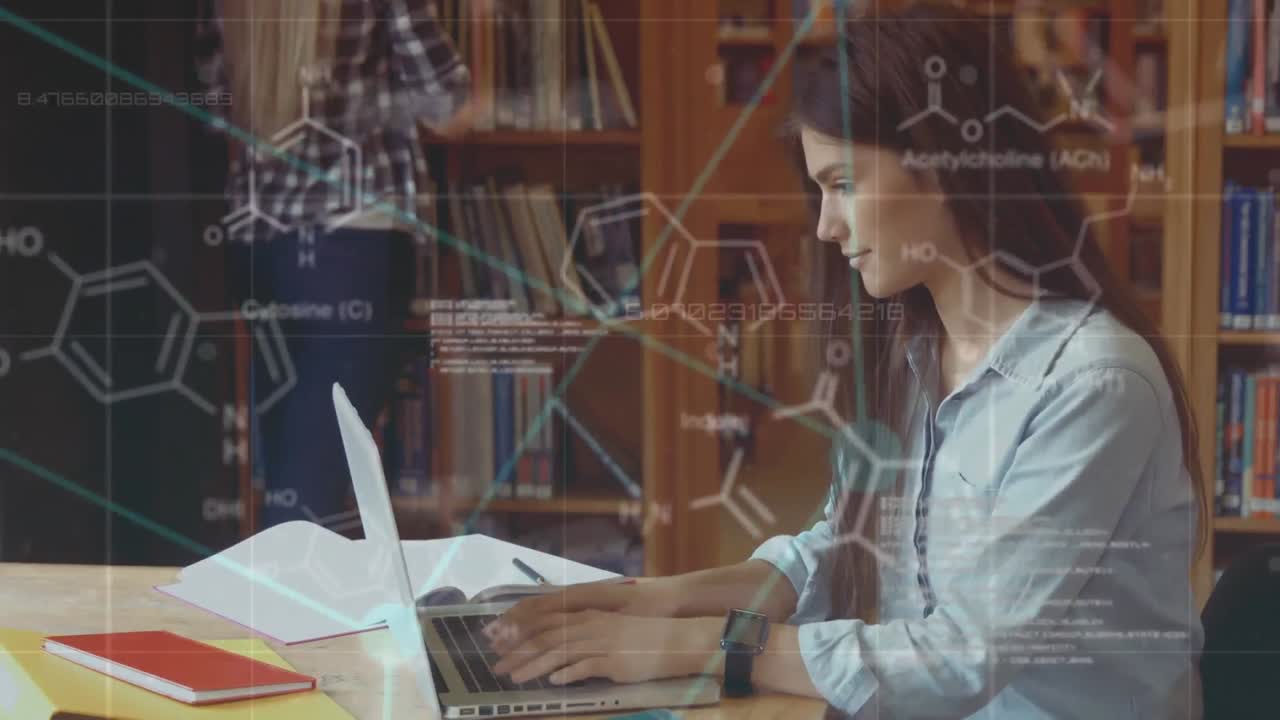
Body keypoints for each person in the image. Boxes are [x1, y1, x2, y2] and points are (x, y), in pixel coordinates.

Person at [482, 4, 1206, 718]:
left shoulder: (1093, 383)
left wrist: (698, 648)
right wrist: (652, 600)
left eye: (843, 184)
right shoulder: (918, 352)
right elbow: (842, 547)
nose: (826, 228)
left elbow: (960, 658)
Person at [196, 0, 475, 526]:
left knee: (290, 459)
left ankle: (283, 596)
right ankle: (285, 601)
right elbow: (450, 108)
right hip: (351, 243)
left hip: (259, 242)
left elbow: (216, 108)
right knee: (316, 477)